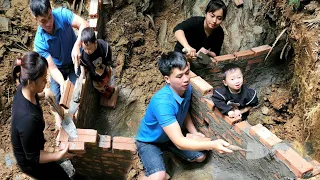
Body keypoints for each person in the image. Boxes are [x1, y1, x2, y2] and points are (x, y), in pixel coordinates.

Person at [135, 52, 233, 180]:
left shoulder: (186, 89)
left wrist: (194, 132)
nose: (186, 79)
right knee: (159, 176)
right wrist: (213, 145)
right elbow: (180, 143)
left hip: (170, 138)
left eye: (187, 72)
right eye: (179, 76)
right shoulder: (162, 103)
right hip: (150, 142)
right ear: (167, 79)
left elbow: (184, 111)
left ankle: (170, 155)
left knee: (200, 156)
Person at [11, 51, 75, 180]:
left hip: (32, 146)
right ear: (31, 82)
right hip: (31, 163)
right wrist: (59, 155)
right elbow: (34, 156)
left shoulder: (23, 89)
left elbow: (35, 94)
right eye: (43, 80)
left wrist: (45, 92)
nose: (47, 82)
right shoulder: (27, 119)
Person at [30, 0, 89, 127]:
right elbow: (52, 68)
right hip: (58, 68)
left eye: (49, 17)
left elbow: (84, 24)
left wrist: (77, 45)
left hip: (75, 61)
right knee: (55, 99)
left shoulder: (62, 14)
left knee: (76, 94)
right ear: (36, 19)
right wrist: (63, 83)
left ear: (51, 11)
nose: (49, 23)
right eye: (43, 21)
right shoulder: (39, 42)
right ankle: (59, 117)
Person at [79, 27, 118, 108]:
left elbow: (108, 62)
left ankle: (108, 88)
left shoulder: (104, 48)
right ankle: (106, 93)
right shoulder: (83, 55)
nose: (87, 51)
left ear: (95, 43)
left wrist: (106, 75)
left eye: (89, 48)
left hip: (105, 71)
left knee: (106, 81)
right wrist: (82, 75)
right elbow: (82, 64)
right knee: (99, 86)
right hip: (95, 77)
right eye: (85, 49)